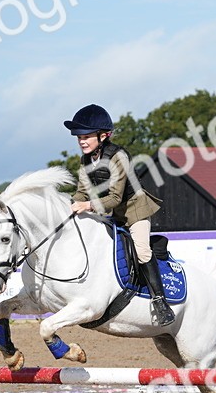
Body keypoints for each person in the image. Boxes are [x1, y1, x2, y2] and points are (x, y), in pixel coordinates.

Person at [65, 103, 173, 326]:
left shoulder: (118, 156)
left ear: (103, 136)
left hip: (134, 209)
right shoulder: (85, 160)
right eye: (79, 137)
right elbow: (82, 192)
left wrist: (87, 206)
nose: (82, 141)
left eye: (86, 136)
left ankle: (160, 302)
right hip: (111, 212)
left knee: (141, 250)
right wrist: (69, 207)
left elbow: (115, 198)